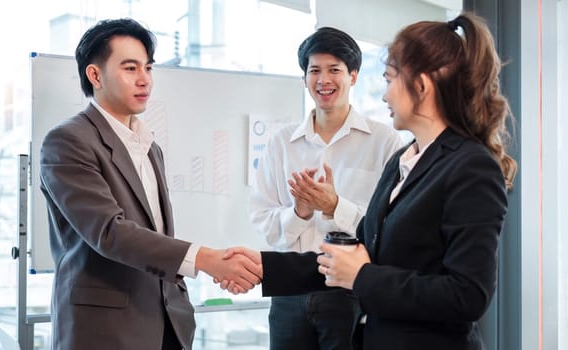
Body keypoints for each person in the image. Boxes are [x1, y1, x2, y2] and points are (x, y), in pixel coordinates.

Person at [225, 12, 517, 350]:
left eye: (390, 79)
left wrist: (363, 277)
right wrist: (262, 267)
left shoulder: (470, 167)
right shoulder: (403, 160)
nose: (384, 96)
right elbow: (358, 250)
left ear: (421, 86)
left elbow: (468, 296)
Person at [39, 18, 261, 350]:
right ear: (95, 75)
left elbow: (155, 234)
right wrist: (206, 259)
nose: (144, 79)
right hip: (104, 332)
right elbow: (109, 233)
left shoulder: (149, 146)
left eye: (148, 68)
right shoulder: (68, 141)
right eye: (130, 68)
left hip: (166, 322)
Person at [249, 26, 403, 350]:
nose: (323, 80)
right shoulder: (280, 143)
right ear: (304, 78)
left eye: (334, 70)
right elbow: (263, 220)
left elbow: (390, 228)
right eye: (314, 70)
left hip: (350, 290)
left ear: (354, 76)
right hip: (288, 290)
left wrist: (336, 207)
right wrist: (299, 212)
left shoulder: (383, 141)